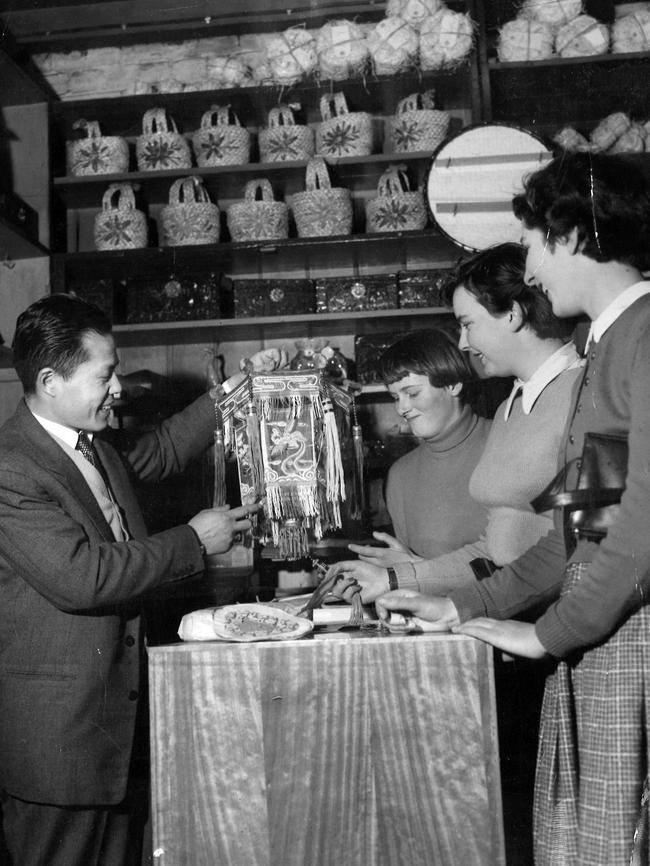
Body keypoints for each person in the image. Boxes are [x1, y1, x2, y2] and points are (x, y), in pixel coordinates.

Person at [375, 151, 650, 866]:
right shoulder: (617, 340)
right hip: (604, 638)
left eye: (532, 245)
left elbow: (639, 526)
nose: (528, 273)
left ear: (571, 235)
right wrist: (467, 606)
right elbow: (581, 525)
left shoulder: (644, 337)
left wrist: (547, 634)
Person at [0, 294, 284, 866]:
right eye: (105, 374)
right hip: (61, 740)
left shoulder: (95, 439)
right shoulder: (11, 467)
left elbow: (163, 448)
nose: (119, 387)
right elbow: (81, 577)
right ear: (51, 381)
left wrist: (238, 389)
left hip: (116, 724)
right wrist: (193, 542)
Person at [334, 242, 582, 601]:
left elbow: (575, 556)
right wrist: (402, 577)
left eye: (467, 324)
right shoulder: (512, 408)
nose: (463, 343)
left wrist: (409, 577)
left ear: (512, 314)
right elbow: (496, 555)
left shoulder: (582, 393)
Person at [368, 328, 491, 560]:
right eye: (395, 397)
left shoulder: (505, 441)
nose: (401, 408)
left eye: (412, 393)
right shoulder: (400, 475)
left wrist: (420, 571)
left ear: (453, 385)